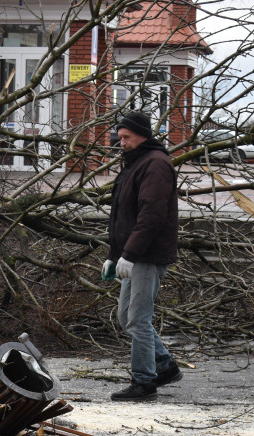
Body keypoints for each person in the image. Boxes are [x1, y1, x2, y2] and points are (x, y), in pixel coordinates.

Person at [102, 111, 182, 401]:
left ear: (142, 135)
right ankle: (165, 366)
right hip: (135, 254)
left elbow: (151, 216)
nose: (120, 142)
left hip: (147, 255)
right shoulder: (136, 163)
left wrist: (130, 254)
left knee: (138, 319)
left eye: (126, 137)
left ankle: (144, 381)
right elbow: (120, 217)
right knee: (127, 317)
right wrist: (114, 255)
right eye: (119, 137)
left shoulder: (156, 165)